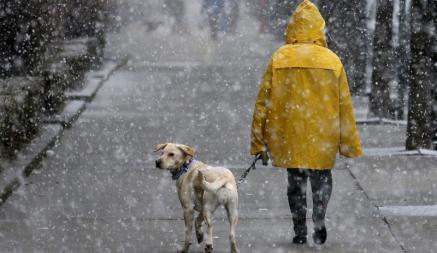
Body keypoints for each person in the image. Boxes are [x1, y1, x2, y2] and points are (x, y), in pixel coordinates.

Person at [250, 0, 362, 245]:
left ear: (292, 29)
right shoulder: (332, 61)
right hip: (323, 133)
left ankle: (299, 229)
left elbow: (263, 104)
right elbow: (345, 106)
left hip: (290, 134)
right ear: (319, 29)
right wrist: (349, 144)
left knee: (296, 182)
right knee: (321, 178)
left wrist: (259, 142)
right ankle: (319, 219)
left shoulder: (279, 58)